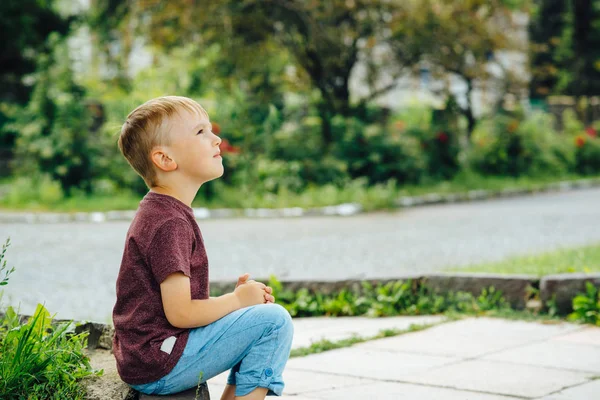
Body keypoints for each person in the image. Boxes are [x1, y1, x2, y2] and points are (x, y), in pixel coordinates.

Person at [112, 96, 294, 399]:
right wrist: (235, 301)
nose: (216, 138)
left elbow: (173, 306)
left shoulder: (165, 211)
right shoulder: (168, 222)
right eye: (200, 132)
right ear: (166, 160)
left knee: (258, 319)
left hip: (149, 355)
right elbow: (180, 313)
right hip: (158, 360)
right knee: (274, 323)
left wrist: (237, 306)